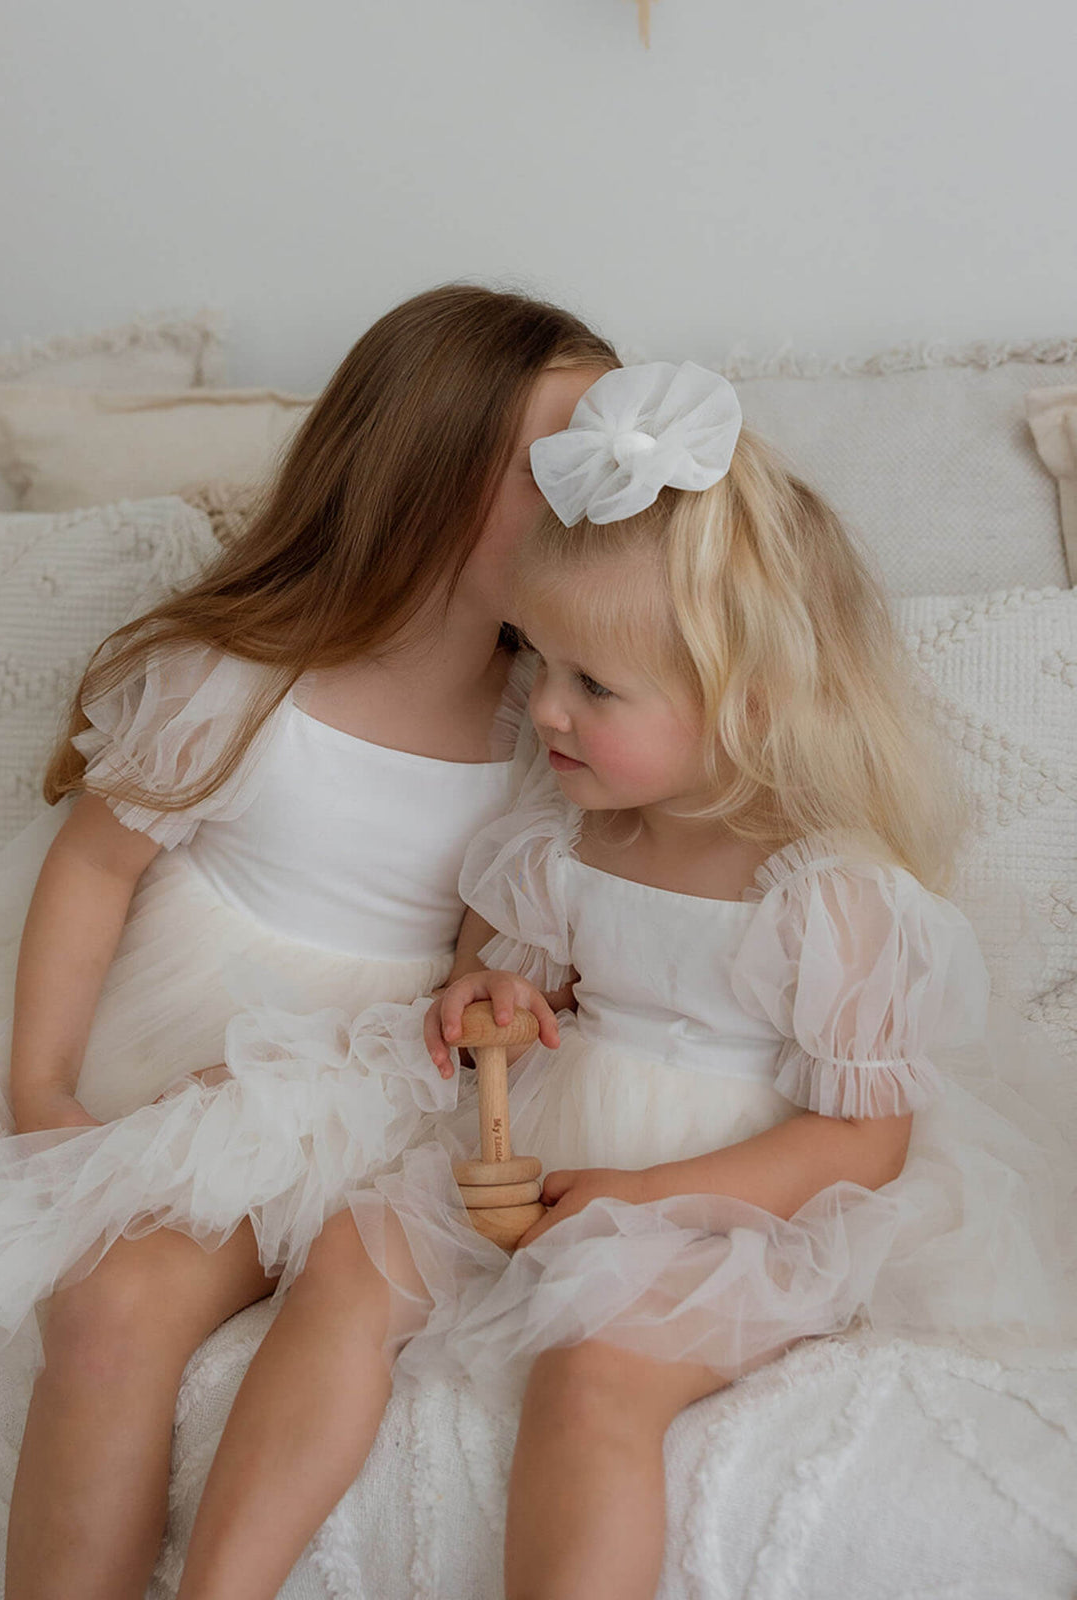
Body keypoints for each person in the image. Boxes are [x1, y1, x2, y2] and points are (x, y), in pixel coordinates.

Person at [168, 362, 1077, 1600]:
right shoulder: (563, 843)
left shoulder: (824, 896)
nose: (542, 706)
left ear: (748, 702)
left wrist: (651, 1198)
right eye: (536, 658)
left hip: (733, 1204)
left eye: (594, 685)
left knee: (597, 1367)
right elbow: (495, 983)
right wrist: (483, 1005)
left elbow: (861, 1144)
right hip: (550, 1163)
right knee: (349, 1256)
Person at [0, 284, 617, 1599]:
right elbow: (96, 868)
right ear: (427, 473)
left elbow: (478, 947)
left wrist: (486, 995)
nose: (594, 500)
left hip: (332, 1086)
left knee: (118, 1302)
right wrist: (43, 1090)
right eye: (556, 468)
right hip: (138, 1030)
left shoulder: (539, 724)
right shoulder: (248, 673)